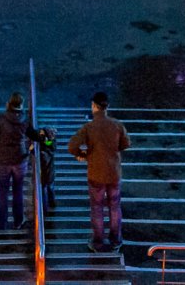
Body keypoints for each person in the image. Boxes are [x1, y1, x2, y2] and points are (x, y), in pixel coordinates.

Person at [69, 92, 131, 253]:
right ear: (107, 106)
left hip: (96, 173)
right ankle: (116, 239)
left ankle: (97, 241)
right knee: (115, 206)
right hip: (114, 173)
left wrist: (83, 154)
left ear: (94, 106)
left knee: (97, 207)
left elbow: (72, 146)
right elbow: (126, 144)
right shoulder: (117, 125)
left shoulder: (88, 127)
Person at [0, 93, 30, 233]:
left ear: (8, 103)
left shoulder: (0, 118)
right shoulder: (25, 120)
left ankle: (1, 223)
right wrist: (47, 139)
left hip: (2, 161)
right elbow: (33, 135)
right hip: (19, 160)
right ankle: (18, 221)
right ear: (21, 105)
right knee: (18, 190)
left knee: (3, 192)